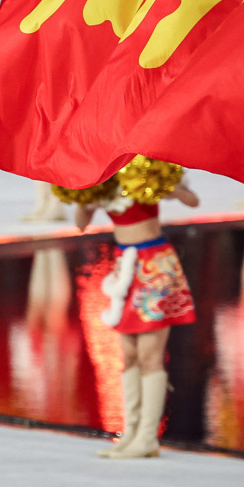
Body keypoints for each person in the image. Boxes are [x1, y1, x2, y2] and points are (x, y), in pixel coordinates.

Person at [73, 173, 199, 459]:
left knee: (149, 354)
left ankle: (147, 438)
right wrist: (83, 195)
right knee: (129, 354)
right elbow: (81, 224)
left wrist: (170, 187)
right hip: (124, 266)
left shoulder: (146, 169)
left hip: (155, 265)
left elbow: (193, 201)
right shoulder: (103, 176)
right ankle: (131, 433)